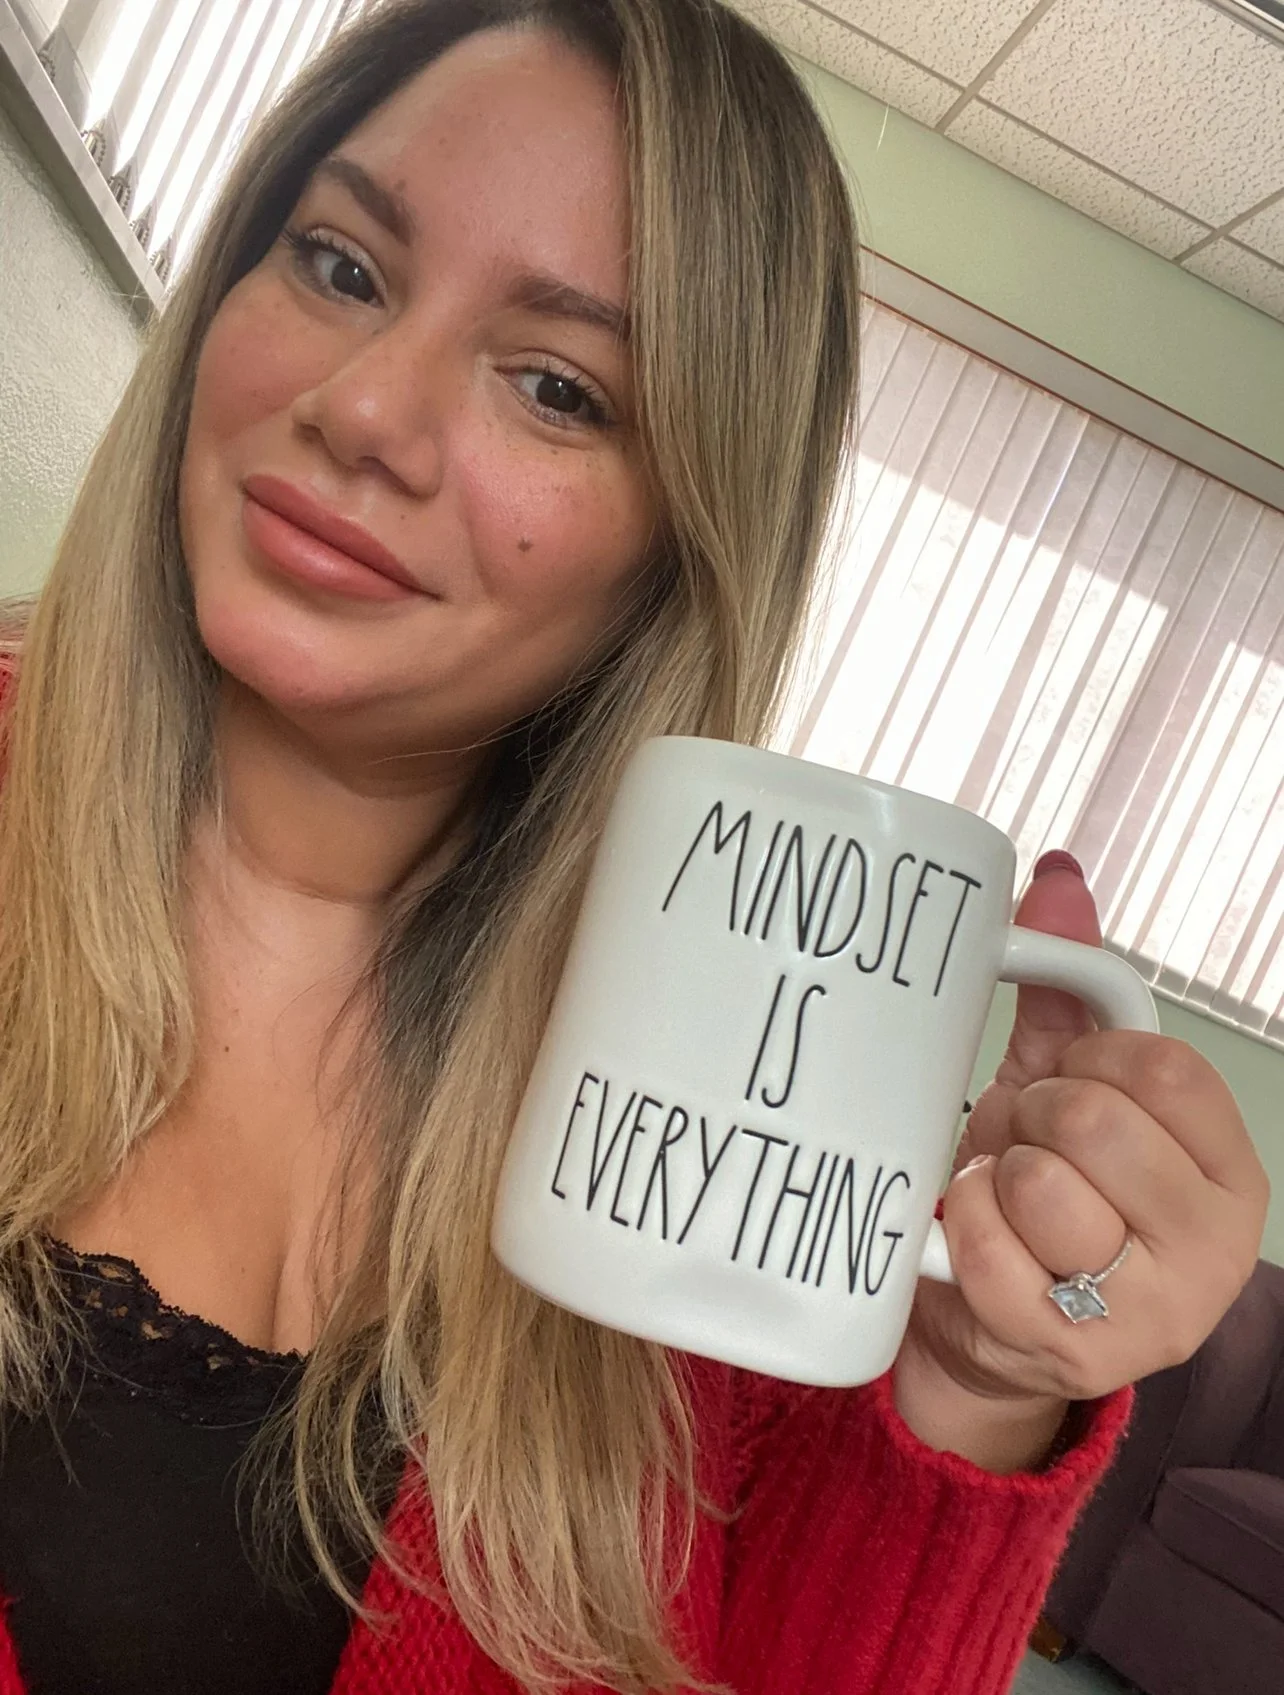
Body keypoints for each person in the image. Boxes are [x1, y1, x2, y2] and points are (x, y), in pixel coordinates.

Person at [0, 0, 1266, 1691]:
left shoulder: (705, 1104)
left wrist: (974, 1375)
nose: (367, 406)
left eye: (554, 385)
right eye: (343, 266)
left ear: (680, 552)